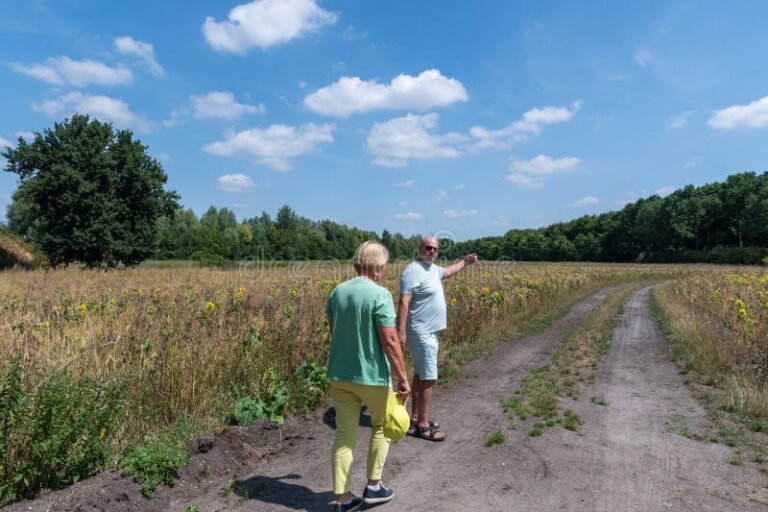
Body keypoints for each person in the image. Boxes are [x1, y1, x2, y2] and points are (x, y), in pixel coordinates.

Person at [327, 240, 411, 512]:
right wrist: (402, 377)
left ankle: (342, 499)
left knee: (344, 435)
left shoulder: (337, 292)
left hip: (340, 374)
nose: (385, 270)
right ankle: (374, 486)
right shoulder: (380, 294)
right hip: (372, 375)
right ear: (377, 265)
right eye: (384, 264)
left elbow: (335, 331)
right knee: (381, 426)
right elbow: (389, 340)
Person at [397, 236, 477, 442]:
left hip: (430, 332)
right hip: (420, 331)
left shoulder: (433, 270)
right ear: (420, 248)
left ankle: (415, 419)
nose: (432, 251)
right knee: (429, 377)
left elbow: (449, 271)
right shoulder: (412, 270)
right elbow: (404, 302)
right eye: (428, 247)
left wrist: (465, 262)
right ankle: (423, 426)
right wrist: (401, 331)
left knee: (421, 373)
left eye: (435, 249)